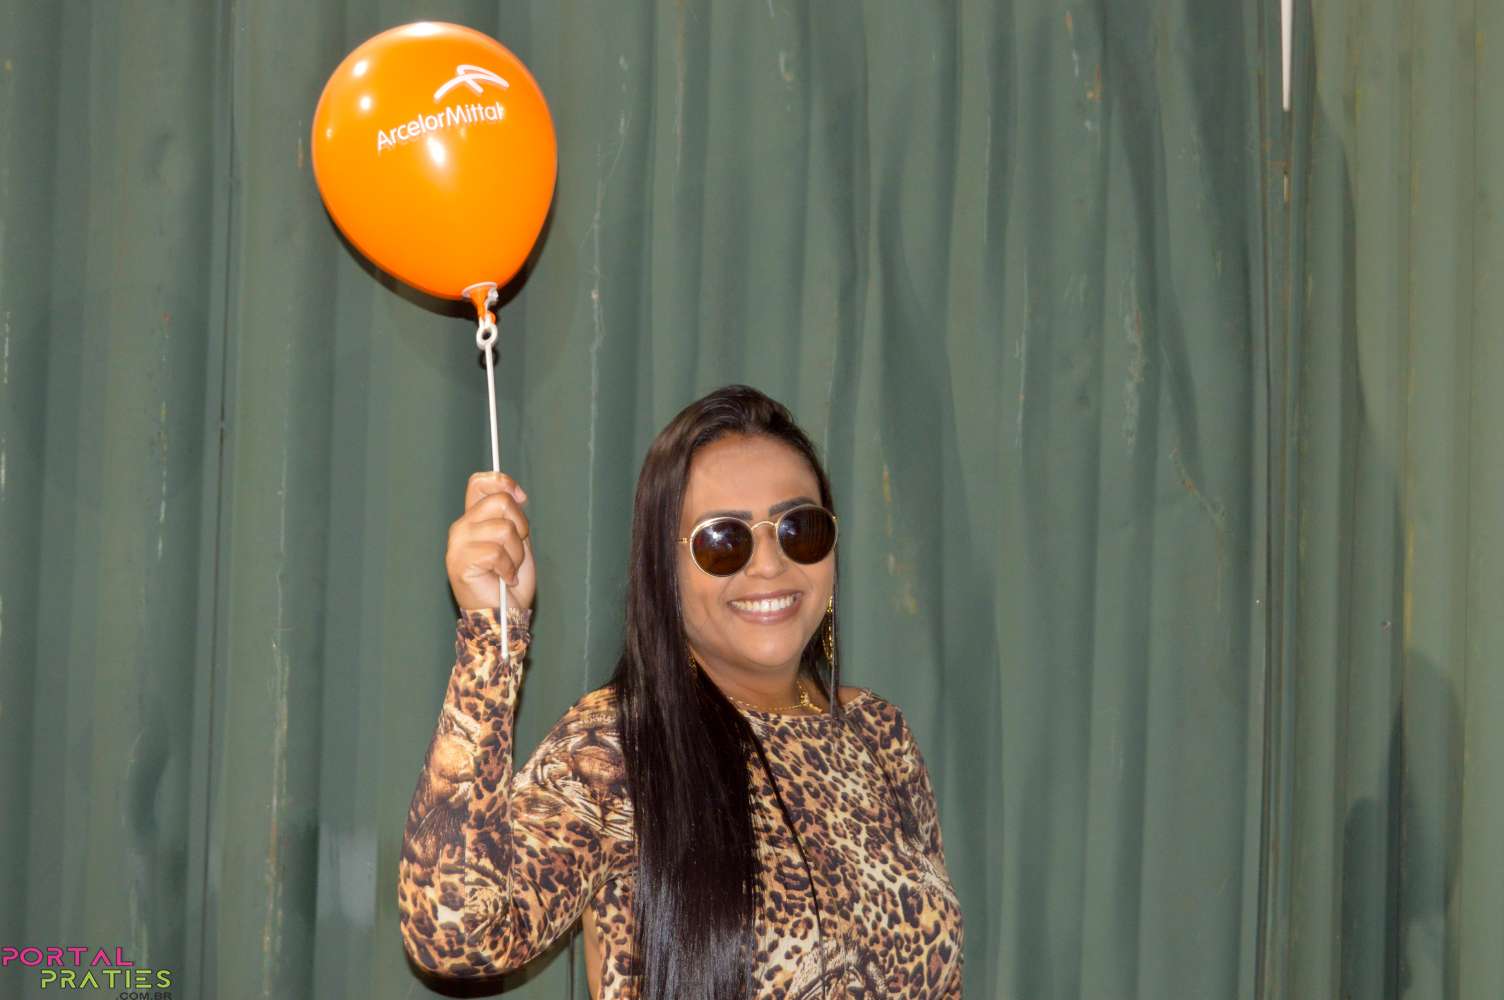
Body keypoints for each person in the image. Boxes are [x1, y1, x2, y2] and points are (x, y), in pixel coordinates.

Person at [397, 384, 964, 998]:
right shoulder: (617, 746)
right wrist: (491, 634)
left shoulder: (878, 732)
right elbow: (456, 933)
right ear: (663, 570)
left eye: (798, 529)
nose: (769, 565)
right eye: (724, 540)